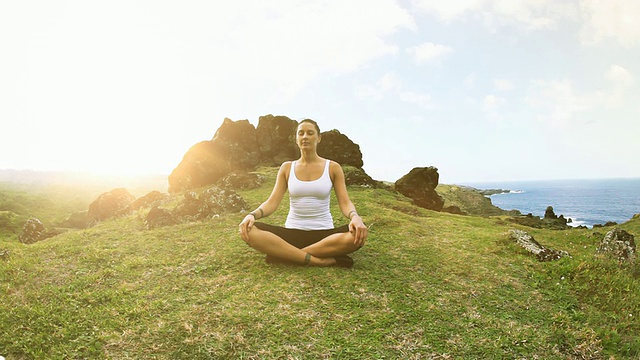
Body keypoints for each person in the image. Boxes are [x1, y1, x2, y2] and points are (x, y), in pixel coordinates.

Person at [238, 119, 368, 267]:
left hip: (324, 234)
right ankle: (316, 260)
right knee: (249, 231)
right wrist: (251, 215)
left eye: (310, 133)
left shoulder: (332, 167)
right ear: (296, 139)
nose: (305, 136)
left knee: (356, 235)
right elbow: (272, 202)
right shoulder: (287, 168)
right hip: (292, 232)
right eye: (301, 133)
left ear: (319, 138)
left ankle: (285, 254)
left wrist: (355, 217)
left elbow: (345, 202)